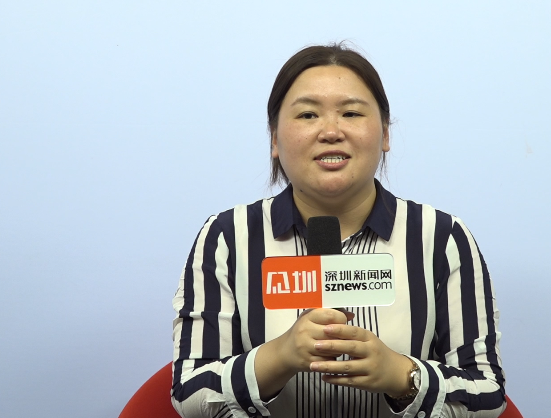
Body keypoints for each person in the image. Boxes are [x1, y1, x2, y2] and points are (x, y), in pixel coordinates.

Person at [171, 43, 506, 418]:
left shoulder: (442, 238)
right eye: (308, 114)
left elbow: (487, 393)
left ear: (385, 135)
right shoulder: (227, 238)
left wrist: (401, 375)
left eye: (350, 113)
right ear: (274, 139)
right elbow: (190, 394)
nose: (331, 131)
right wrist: (280, 356)